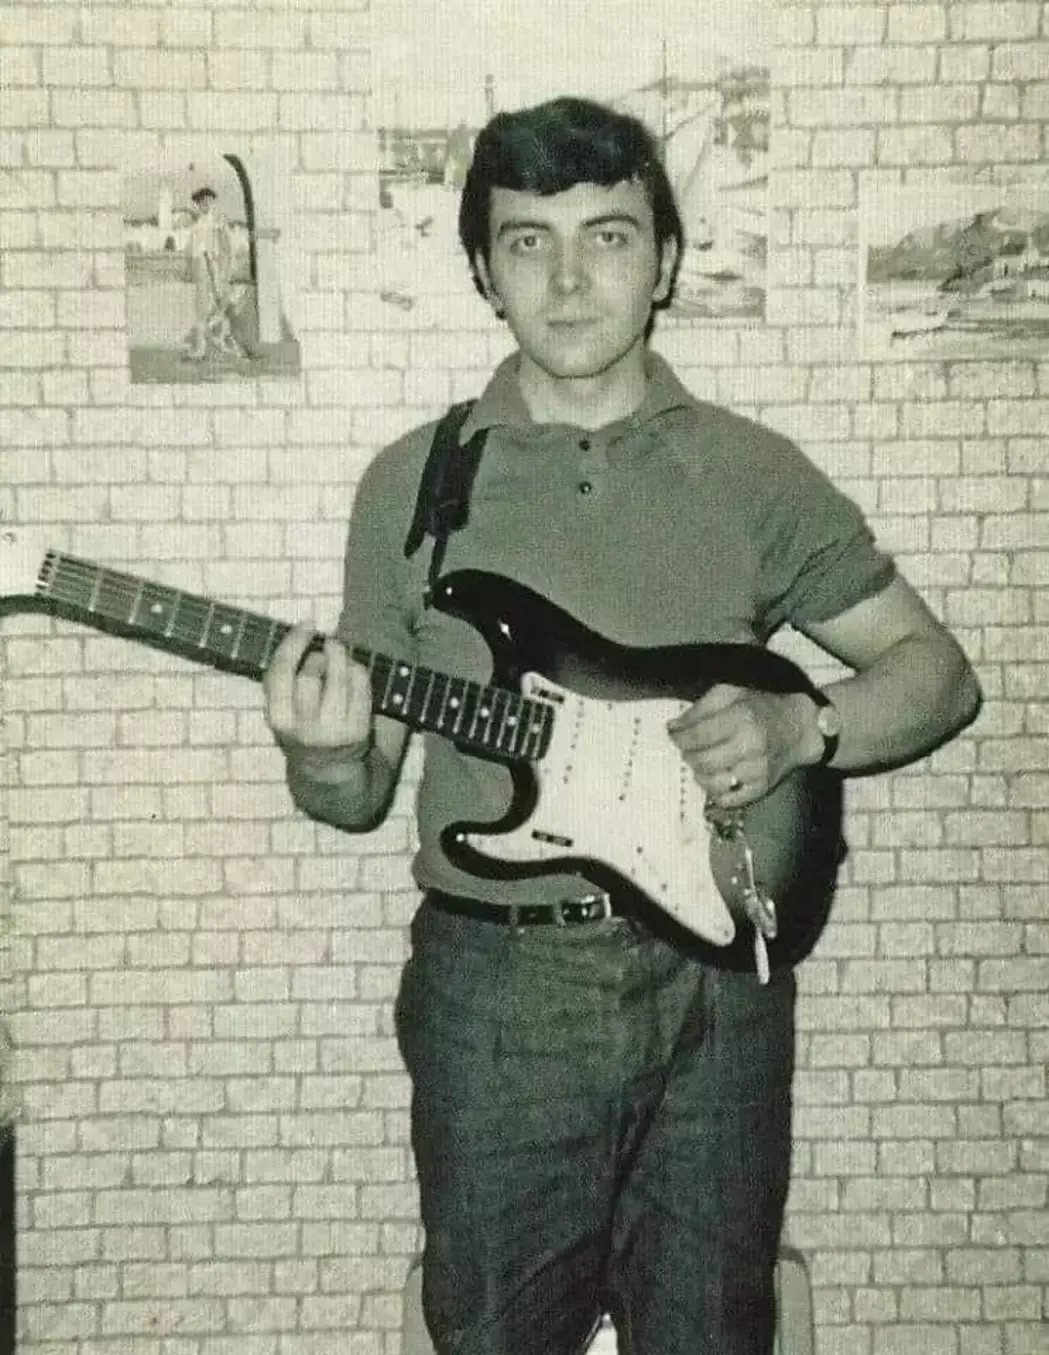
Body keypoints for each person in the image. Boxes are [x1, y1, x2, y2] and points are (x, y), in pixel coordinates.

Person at [262, 97, 981, 1355]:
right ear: (481, 269)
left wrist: (802, 725)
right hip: (494, 995)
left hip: (714, 994)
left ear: (664, 259)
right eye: (526, 241)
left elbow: (936, 674)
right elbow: (358, 788)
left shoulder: (750, 471)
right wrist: (321, 753)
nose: (568, 278)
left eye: (606, 234)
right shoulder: (411, 486)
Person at [183, 186, 245, 361]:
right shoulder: (196, 226)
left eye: (209, 202)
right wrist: (190, 269)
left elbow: (228, 246)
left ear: (213, 203)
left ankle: (228, 343)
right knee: (201, 308)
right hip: (201, 267)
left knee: (222, 305)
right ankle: (201, 347)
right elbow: (191, 251)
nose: (206, 205)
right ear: (197, 205)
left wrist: (225, 268)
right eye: (202, 202)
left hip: (215, 265)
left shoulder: (218, 222)